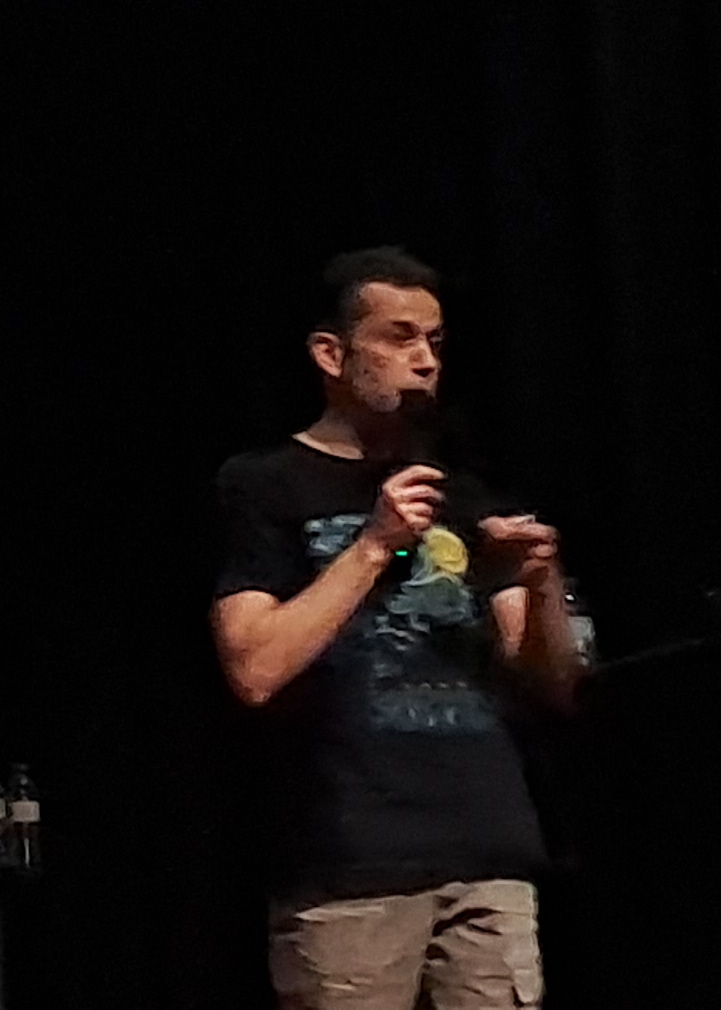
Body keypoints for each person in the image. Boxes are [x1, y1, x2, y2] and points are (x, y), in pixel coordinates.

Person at [213, 247, 583, 1010]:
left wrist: (540, 581)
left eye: (435, 343)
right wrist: (375, 543)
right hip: (350, 861)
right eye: (398, 337)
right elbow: (254, 669)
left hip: (488, 852)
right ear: (331, 353)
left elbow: (554, 682)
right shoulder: (263, 487)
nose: (423, 361)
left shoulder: (466, 494)